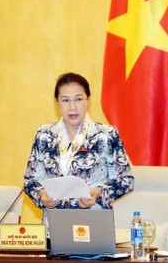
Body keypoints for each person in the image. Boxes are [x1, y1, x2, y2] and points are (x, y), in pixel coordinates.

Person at [23, 72, 134, 230]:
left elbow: (126, 181)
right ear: (57, 103)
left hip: (94, 225)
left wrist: (97, 194)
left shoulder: (106, 135)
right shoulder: (44, 135)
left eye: (78, 99)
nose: (72, 107)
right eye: (65, 100)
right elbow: (30, 181)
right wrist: (42, 196)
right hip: (54, 227)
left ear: (88, 100)